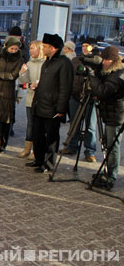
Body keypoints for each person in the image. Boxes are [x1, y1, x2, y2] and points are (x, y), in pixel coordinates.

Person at [26, 33, 73, 173]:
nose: (43, 49)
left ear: (53, 48)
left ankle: (49, 164)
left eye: (45, 46)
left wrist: (61, 108)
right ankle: (39, 160)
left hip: (52, 108)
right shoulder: (47, 61)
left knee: (51, 138)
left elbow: (65, 88)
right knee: (37, 135)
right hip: (40, 105)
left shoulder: (64, 63)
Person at [88, 46, 124, 190]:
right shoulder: (110, 72)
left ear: (114, 61)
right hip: (109, 112)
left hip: (116, 115)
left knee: (113, 146)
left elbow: (103, 91)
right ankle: (108, 171)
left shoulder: (118, 75)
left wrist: (92, 76)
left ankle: (111, 176)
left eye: (107, 59)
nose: (103, 62)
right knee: (108, 144)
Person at [60, 37, 100, 163]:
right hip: (76, 96)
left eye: (87, 46)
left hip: (91, 98)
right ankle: (72, 146)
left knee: (90, 127)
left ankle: (90, 151)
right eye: (83, 46)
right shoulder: (76, 60)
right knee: (74, 123)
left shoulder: (98, 61)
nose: (84, 48)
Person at [17, 40, 45, 158]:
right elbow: (23, 81)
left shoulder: (46, 63)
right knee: (30, 124)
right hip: (30, 97)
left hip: (42, 99)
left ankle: (36, 150)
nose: (30, 51)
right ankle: (27, 148)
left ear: (40, 49)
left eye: (33, 48)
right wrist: (22, 73)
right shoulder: (29, 63)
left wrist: (39, 84)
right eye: (30, 48)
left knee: (39, 125)